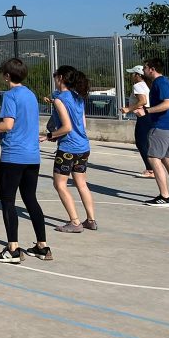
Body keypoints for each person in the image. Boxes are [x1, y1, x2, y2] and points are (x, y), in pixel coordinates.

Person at [0, 58, 51, 264]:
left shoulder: (10, 95)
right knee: (30, 199)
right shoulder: (31, 94)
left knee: (7, 201)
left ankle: (13, 249)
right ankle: (42, 247)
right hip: (32, 156)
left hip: (14, 155)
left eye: (2, 73)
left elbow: (7, 125)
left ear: (7, 76)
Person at [46, 68, 97, 232]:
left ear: (60, 78)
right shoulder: (78, 97)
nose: (54, 80)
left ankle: (75, 222)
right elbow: (82, 123)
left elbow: (67, 127)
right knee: (82, 184)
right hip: (83, 146)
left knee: (59, 184)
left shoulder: (60, 99)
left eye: (55, 77)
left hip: (68, 148)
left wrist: (50, 135)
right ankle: (91, 220)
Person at [137, 58, 169, 207]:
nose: (143, 70)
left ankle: (164, 197)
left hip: (162, 126)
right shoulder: (165, 81)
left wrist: (147, 111)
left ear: (152, 69)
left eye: (145, 68)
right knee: (167, 159)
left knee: (153, 158)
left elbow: (168, 104)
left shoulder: (160, 82)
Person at [120, 65, 154, 178]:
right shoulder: (147, 84)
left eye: (133, 74)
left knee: (141, 143)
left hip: (143, 116)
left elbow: (143, 101)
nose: (131, 76)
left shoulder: (138, 85)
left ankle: (151, 169)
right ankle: (153, 168)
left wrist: (128, 109)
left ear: (138, 75)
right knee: (147, 143)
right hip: (150, 115)